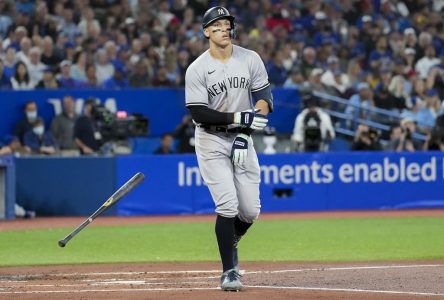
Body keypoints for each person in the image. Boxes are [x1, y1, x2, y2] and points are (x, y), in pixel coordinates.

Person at [184, 6, 272, 291]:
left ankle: (228, 240)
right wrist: (238, 118)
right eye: (217, 25)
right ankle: (229, 270)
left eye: (227, 24)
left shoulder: (250, 58)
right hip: (211, 139)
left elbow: (264, 98)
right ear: (206, 31)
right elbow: (199, 113)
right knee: (227, 205)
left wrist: (249, 126)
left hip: (242, 137)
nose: (224, 28)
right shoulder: (197, 68)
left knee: (250, 211)